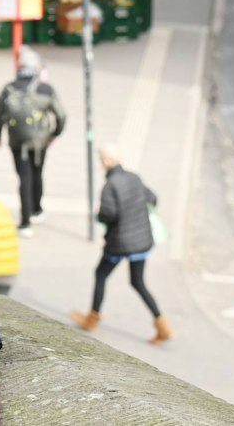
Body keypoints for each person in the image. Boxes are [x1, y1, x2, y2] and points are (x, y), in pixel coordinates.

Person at [72, 144, 171, 344]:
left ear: (107, 161)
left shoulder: (110, 186)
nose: (101, 162)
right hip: (142, 241)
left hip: (119, 243)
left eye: (101, 159)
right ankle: (162, 325)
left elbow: (107, 214)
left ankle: (92, 319)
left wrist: (99, 215)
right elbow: (152, 198)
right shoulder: (134, 178)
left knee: (101, 274)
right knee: (138, 282)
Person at [0, 47, 65, 237]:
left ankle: (25, 223)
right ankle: (36, 210)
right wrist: (54, 134)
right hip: (40, 141)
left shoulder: (9, 88)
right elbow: (61, 115)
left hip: (17, 141)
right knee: (37, 173)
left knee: (24, 178)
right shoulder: (46, 89)